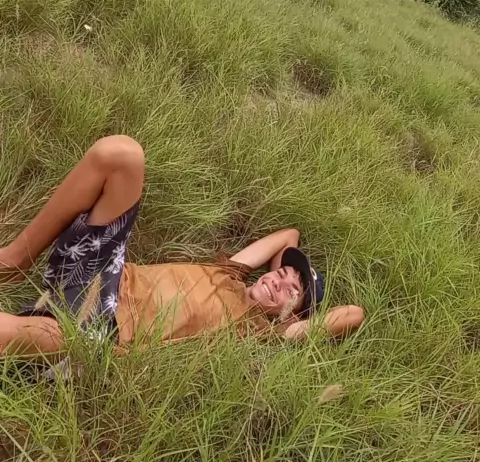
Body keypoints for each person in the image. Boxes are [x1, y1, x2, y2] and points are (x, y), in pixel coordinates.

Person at [0, 136, 364, 358]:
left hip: (104, 331)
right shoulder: (230, 273)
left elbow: (353, 314)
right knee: (123, 154)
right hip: (105, 270)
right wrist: (285, 282)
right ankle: (13, 262)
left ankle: (30, 324)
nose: (278, 282)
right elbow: (289, 235)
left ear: (292, 316)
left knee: (44, 336)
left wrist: (291, 316)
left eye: (291, 292)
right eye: (280, 273)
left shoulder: (257, 332)